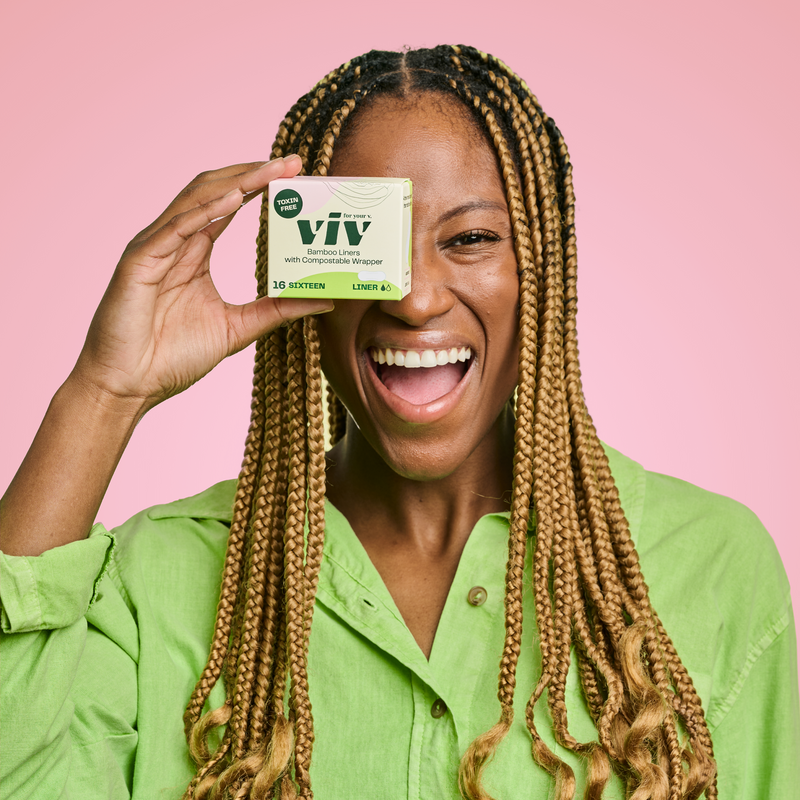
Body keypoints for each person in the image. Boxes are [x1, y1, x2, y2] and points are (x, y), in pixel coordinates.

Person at [0, 45, 797, 800]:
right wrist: (103, 392)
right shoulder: (154, 579)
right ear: (300, 262)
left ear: (543, 271)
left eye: (472, 239)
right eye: (365, 241)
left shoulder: (711, 565)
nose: (414, 300)